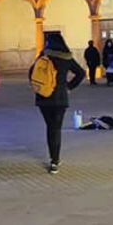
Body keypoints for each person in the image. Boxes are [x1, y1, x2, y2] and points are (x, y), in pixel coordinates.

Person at [31, 32, 85, 174]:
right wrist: (69, 86)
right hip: (60, 97)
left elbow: (32, 72)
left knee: (50, 127)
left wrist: (38, 86)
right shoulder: (66, 57)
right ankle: (55, 161)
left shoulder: (44, 55)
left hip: (43, 97)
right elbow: (81, 73)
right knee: (56, 129)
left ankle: (53, 158)